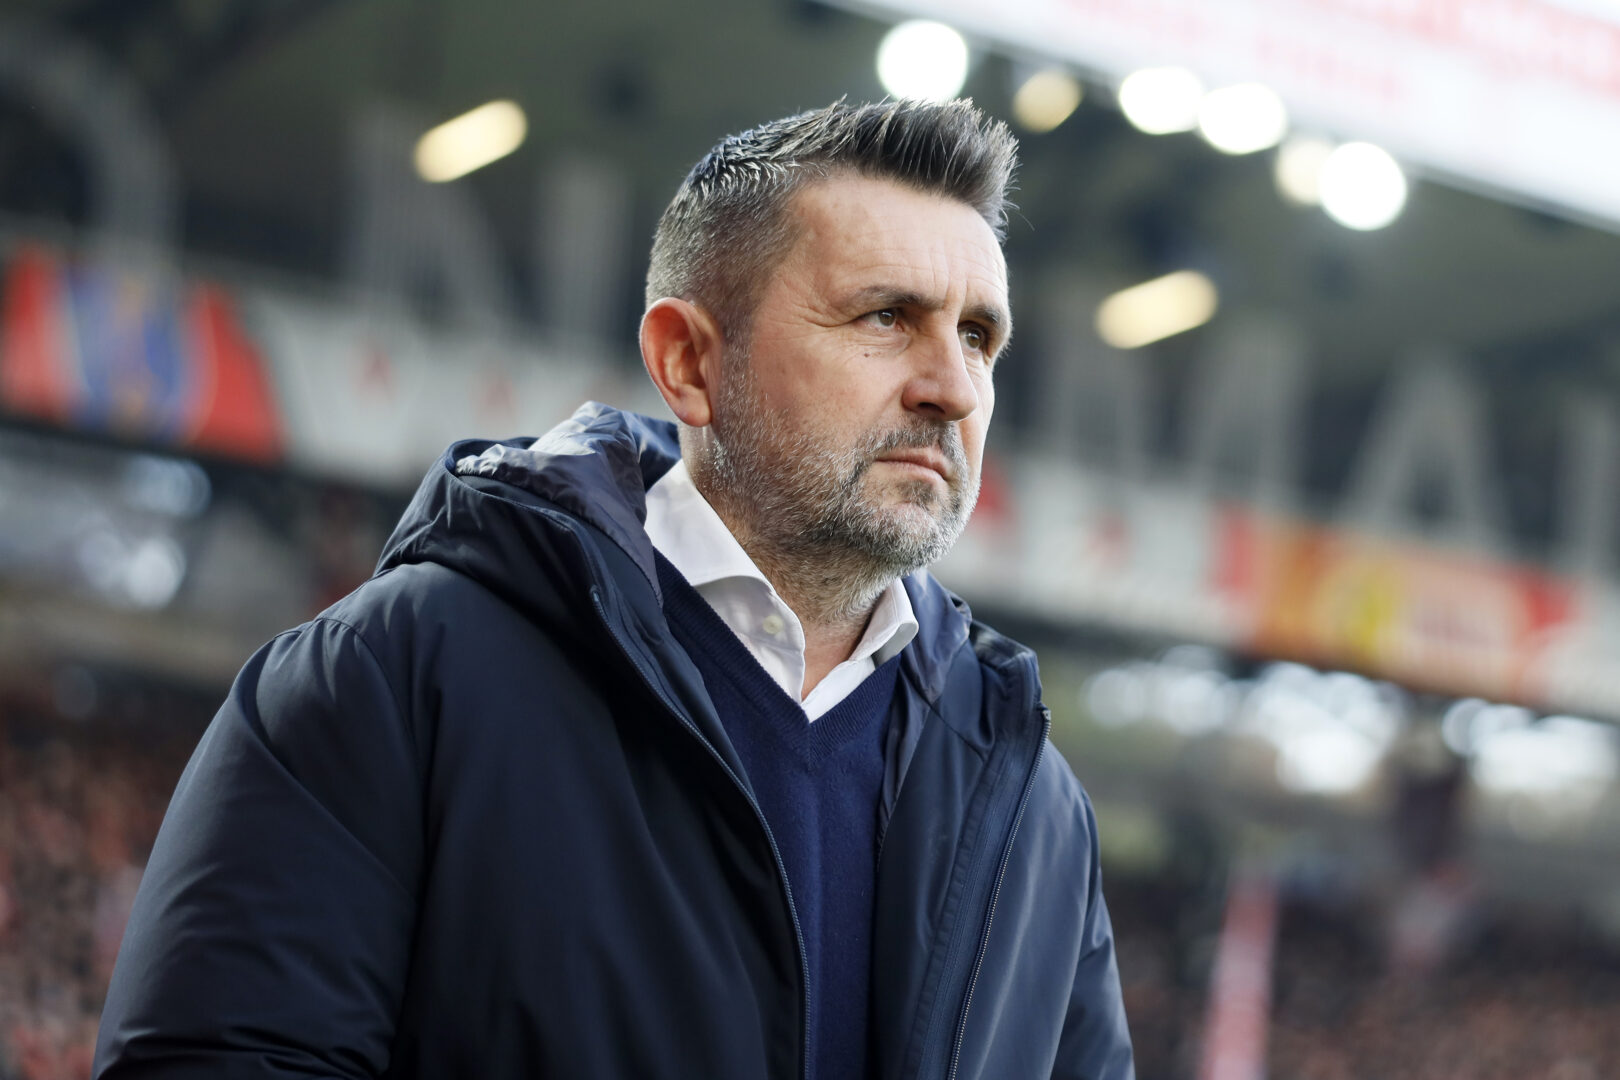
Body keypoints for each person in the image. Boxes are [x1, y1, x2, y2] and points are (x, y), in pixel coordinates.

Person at [93, 99, 1135, 1080]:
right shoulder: (394, 677)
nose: (951, 387)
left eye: (978, 336)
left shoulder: (1034, 808)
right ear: (689, 363)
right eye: (885, 316)